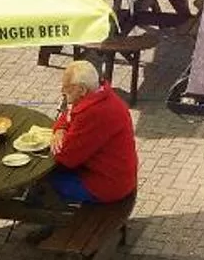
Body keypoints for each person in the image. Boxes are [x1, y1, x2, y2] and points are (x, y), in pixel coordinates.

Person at [42, 60, 137, 208]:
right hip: (118, 177)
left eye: (67, 89)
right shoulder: (102, 96)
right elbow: (67, 114)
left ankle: (57, 225)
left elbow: (66, 157)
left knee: (42, 180)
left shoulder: (93, 113)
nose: (62, 91)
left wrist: (59, 136)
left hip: (106, 186)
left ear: (81, 90)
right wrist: (60, 130)